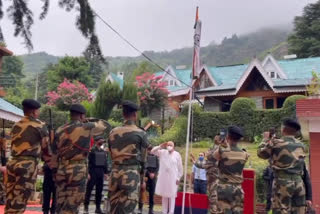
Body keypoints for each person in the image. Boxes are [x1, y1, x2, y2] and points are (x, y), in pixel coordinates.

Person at [53, 104, 110, 214]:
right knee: (73, 204)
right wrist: (88, 120)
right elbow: (105, 126)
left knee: (60, 202)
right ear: (82, 115)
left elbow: (53, 152)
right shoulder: (86, 127)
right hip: (77, 170)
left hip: (62, 168)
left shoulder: (60, 129)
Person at [5, 99, 52, 214]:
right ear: (34, 111)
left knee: (11, 197)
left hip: (12, 163)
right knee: (21, 197)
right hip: (27, 165)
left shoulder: (16, 124)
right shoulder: (39, 125)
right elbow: (46, 148)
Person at [108, 100, 151, 214]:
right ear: (135, 114)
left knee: (113, 208)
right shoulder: (141, 133)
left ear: (123, 114)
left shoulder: (113, 132)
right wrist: (142, 181)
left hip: (114, 173)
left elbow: (110, 153)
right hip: (131, 174)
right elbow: (143, 159)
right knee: (127, 209)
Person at [258, 118, 306, 214]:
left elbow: (261, 153)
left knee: (281, 210)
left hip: (282, 183)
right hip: (299, 183)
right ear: (296, 132)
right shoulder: (302, 146)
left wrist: (266, 139)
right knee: (299, 210)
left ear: (283, 129)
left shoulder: (276, 143)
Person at [213, 126, 249, 213]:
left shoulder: (222, 152)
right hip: (238, 189)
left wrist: (219, 145)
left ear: (228, 137)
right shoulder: (245, 154)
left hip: (224, 189)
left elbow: (212, 157)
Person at [190, 134, 225, 214]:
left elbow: (204, 165)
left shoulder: (216, 151)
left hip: (214, 179)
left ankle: (215, 211)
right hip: (216, 179)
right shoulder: (219, 149)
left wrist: (194, 162)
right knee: (217, 199)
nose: (207, 152)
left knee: (213, 199)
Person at [151, 141, 183, 214]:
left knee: (172, 195)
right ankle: (164, 211)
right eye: (168, 145)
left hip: (173, 178)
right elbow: (152, 151)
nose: (169, 146)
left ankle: (171, 212)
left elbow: (180, 168)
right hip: (164, 177)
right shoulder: (162, 152)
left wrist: (178, 177)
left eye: (171, 145)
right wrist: (160, 146)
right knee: (164, 195)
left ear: (174, 146)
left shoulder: (177, 155)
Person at [84, 136, 109, 214]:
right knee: (89, 190)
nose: (102, 141)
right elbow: (88, 162)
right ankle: (86, 208)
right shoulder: (91, 151)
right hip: (92, 172)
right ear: (96, 141)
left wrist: (106, 173)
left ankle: (98, 208)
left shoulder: (103, 151)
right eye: (101, 140)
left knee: (99, 190)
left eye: (103, 140)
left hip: (100, 172)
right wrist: (87, 173)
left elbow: (105, 162)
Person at [138, 147, 159, 214]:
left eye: (151, 150)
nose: (150, 151)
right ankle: (140, 208)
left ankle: (151, 209)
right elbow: (143, 167)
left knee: (151, 193)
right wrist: (149, 173)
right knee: (142, 192)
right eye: (149, 150)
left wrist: (154, 174)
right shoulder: (144, 157)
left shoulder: (155, 158)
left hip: (153, 178)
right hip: (145, 177)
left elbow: (158, 167)